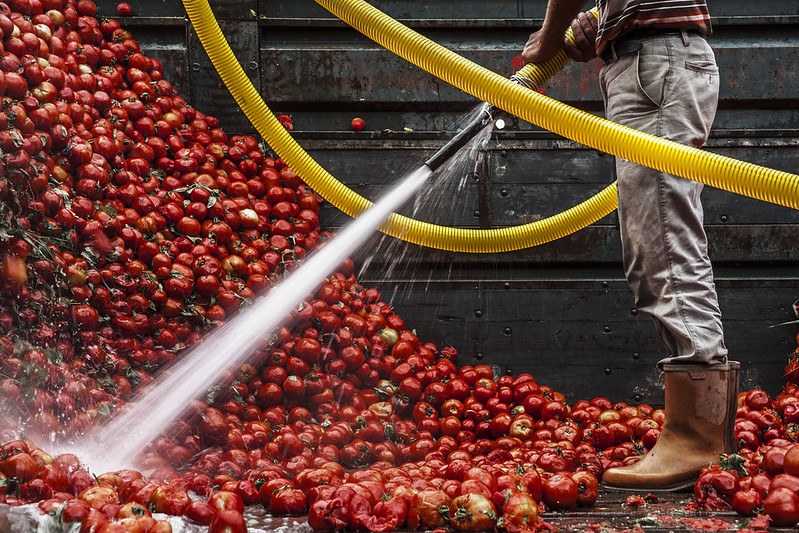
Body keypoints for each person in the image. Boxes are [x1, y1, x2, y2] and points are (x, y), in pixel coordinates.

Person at [522, 1, 739, 491]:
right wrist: (605, 17)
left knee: (662, 240)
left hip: (655, 65)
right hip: (647, 61)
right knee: (653, 245)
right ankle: (698, 428)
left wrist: (550, 35)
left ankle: (699, 434)